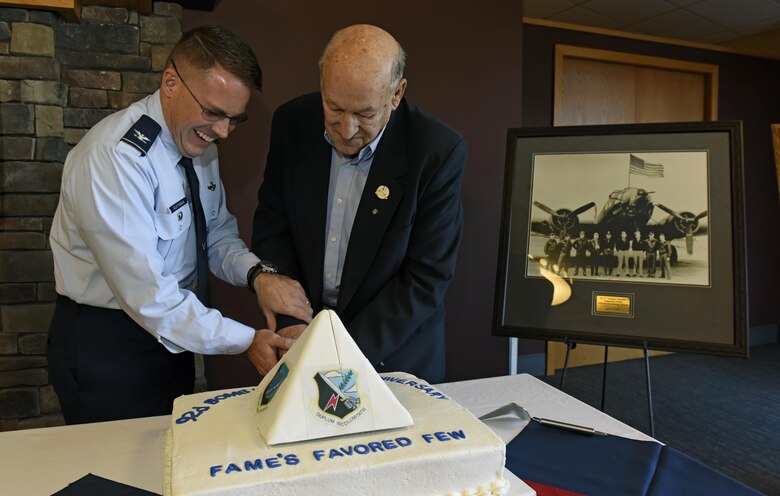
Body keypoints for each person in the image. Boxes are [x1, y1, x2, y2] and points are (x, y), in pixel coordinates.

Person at [47, 25, 313, 424]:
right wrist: (246, 341)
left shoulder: (198, 142)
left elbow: (216, 234)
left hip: (172, 339)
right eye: (214, 113)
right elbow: (149, 297)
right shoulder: (115, 159)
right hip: (109, 347)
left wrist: (258, 275)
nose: (223, 131)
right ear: (171, 82)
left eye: (234, 119)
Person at [251, 24, 466, 383]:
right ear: (322, 82)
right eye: (334, 107)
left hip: (391, 356)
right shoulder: (292, 123)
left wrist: (335, 350)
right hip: (300, 340)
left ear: (396, 94)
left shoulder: (436, 150)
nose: (346, 129)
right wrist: (292, 322)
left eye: (365, 114)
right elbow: (274, 227)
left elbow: (426, 278)